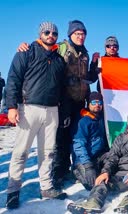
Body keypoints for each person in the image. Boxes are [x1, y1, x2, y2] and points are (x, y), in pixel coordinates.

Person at [16, 20, 100, 189]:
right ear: (70, 35)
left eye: (83, 34)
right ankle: (58, 173)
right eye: (77, 34)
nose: (81, 36)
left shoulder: (85, 53)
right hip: (63, 100)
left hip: (80, 101)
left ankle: (73, 167)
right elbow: (45, 55)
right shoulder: (61, 48)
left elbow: (89, 78)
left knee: (75, 136)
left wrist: (93, 64)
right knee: (60, 138)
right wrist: (26, 46)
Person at [5, 22, 67, 209]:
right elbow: (13, 79)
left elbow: (62, 88)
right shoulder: (26, 52)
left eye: (54, 33)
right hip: (29, 108)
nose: (51, 35)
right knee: (21, 151)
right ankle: (13, 191)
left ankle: (46, 187)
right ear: (40, 34)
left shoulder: (59, 60)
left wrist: (62, 110)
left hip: (52, 110)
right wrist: (11, 107)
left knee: (48, 152)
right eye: (47, 32)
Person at [67, 111, 128, 214]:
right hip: (122, 174)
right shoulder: (121, 138)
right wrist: (105, 172)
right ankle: (93, 203)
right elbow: (112, 157)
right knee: (103, 180)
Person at [72, 92, 109, 191]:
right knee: (92, 185)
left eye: (100, 103)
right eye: (94, 102)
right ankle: (77, 171)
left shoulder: (102, 118)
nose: (97, 105)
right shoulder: (83, 121)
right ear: (88, 104)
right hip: (84, 160)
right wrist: (87, 165)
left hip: (99, 156)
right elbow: (78, 145)